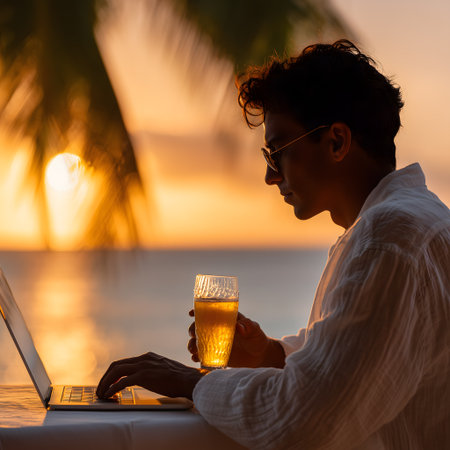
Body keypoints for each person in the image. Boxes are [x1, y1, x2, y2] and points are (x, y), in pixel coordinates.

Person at [96, 40, 450, 449]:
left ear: (336, 142)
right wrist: (269, 355)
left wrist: (190, 383)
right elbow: (364, 362)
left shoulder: (389, 239)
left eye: (276, 151)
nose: (270, 176)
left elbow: (302, 422)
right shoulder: (403, 225)